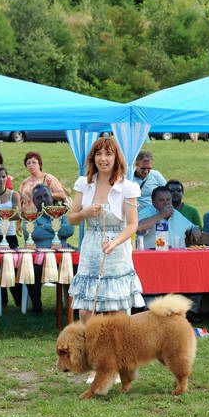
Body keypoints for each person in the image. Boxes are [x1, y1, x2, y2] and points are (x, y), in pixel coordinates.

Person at [68, 137, 144, 323]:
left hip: (117, 251)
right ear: (93, 158)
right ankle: (90, 350)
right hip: (91, 250)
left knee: (116, 312)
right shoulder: (83, 184)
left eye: (108, 154)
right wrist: (85, 213)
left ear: (116, 157)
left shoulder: (127, 187)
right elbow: (72, 219)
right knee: (86, 311)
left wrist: (115, 243)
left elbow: (132, 224)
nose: (103, 159)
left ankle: (118, 351)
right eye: (99, 154)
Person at [25, 184, 75, 314]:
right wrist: (56, 230)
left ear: (51, 197)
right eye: (38, 197)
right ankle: (37, 306)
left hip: (63, 259)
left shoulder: (62, 213)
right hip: (40, 261)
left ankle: (74, 305)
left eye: (45, 195)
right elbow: (33, 234)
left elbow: (69, 230)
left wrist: (44, 225)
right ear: (34, 201)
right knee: (30, 269)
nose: (42, 199)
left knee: (77, 267)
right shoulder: (30, 216)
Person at [0, 166, 21, 249]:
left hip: (10, 235)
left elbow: (17, 215)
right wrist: (7, 215)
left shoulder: (14, 195)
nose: (1, 179)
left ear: (7, 178)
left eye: (3, 177)